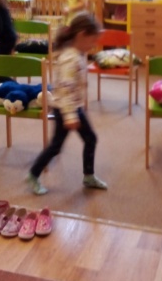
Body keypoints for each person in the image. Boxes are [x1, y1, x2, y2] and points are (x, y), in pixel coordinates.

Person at [26, 12, 107, 195]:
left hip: (73, 106)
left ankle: (88, 176)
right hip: (65, 109)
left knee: (90, 139)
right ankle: (33, 174)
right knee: (56, 146)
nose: (94, 45)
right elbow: (66, 88)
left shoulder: (76, 53)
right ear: (81, 35)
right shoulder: (70, 58)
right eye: (92, 40)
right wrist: (70, 115)